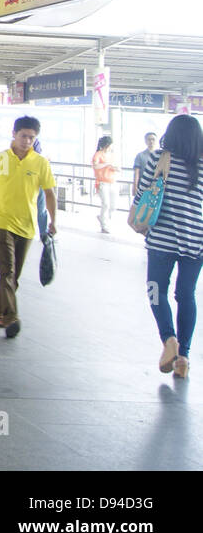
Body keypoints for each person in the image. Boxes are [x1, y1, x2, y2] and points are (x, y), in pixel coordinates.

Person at [134, 114, 203, 380]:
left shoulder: (158, 159)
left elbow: (141, 195)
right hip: (196, 241)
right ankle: (183, 357)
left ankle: (169, 340)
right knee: (186, 295)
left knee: (155, 291)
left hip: (162, 239)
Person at [0, 115, 56, 339]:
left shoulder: (40, 162)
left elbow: (49, 193)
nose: (27, 141)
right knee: (6, 270)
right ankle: (11, 318)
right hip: (2, 222)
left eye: (31, 137)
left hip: (27, 226)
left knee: (13, 275)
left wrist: (54, 221)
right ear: (14, 134)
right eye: (23, 136)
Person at [91, 135, 118, 233]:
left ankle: (103, 218)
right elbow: (95, 166)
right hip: (102, 183)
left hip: (112, 181)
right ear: (107, 145)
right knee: (105, 204)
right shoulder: (98, 154)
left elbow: (116, 166)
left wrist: (115, 168)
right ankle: (104, 225)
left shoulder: (111, 155)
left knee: (113, 205)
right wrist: (106, 164)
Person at [133, 132, 159, 197]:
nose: (151, 141)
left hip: (156, 186)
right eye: (149, 139)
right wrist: (135, 186)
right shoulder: (140, 155)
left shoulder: (160, 156)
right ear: (145, 141)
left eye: (153, 139)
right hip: (142, 185)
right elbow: (137, 172)